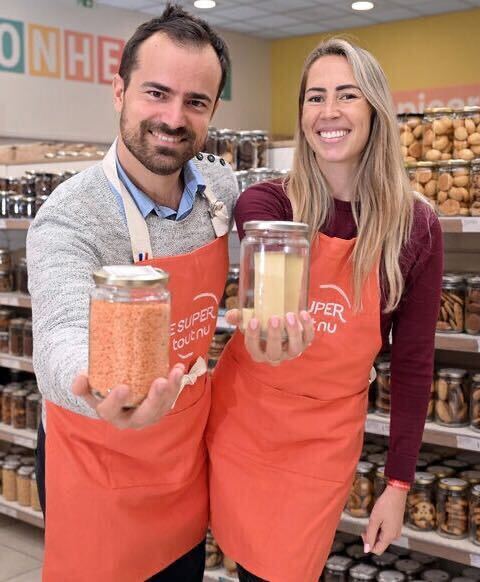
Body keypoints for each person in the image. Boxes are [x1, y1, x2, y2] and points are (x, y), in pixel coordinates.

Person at [206, 38, 444, 582]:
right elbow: (265, 313)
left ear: (375, 110)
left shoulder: (416, 228)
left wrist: (398, 486)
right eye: (315, 97)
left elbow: (412, 362)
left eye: (347, 95)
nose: (328, 112)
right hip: (247, 420)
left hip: (323, 441)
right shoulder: (268, 207)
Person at [27, 5, 238, 581]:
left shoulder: (219, 190)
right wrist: (97, 383)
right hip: (101, 462)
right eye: (156, 93)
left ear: (213, 111)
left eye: (195, 102)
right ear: (118, 91)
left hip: (181, 456)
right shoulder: (72, 216)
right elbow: (59, 334)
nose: (173, 117)